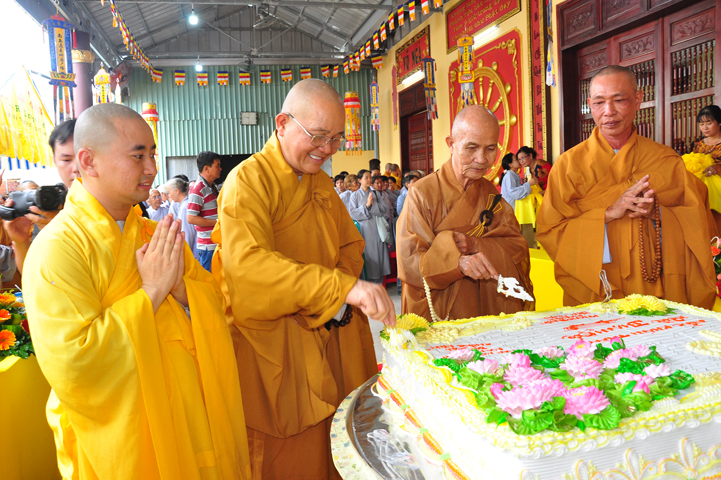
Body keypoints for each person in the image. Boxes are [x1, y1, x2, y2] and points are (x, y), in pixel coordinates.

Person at [22, 103, 250, 479]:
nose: (152, 168)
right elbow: (76, 361)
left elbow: (214, 300)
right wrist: (152, 292)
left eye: (153, 154)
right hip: (128, 439)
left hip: (190, 418)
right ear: (88, 161)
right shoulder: (57, 248)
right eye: (138, 155)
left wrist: (180, 290)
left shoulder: (153, 232)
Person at [210, 78, 395, 480]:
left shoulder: (319, 182)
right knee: (288, 456)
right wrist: (336, 289)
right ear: (282, 123)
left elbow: (350, 245)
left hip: (329, 328)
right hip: (276, 342)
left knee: (337, 442)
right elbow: (249, 268)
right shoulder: (248, 181)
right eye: (318, 136)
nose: (327, 149)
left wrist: (336, 300)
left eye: (336, 139)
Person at [537, 65, 716, 309]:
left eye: (619, 100)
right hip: (595, 287)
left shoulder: (665, 160)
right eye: (599, 102)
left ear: (638, 99)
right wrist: (607, 214)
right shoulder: (568, 165)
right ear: (590, 105)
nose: (608, 111)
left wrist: (658, 214)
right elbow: (550, 230)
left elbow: (699, 224)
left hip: (655, 287)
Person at [397, 105, 534, 320]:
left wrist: (477, 245)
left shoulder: (490, 193)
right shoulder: (422, 193)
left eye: (490, 148)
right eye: (471, 147)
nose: (482, 159)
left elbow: (517, 247)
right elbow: (409, 262)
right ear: (451, 144)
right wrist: (455, 262)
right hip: (440, 309)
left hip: (485, 306)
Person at [349, 170, 391, 283]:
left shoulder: (376, 193)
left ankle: (379, 285)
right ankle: (367, 283)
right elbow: (352, 213)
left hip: (377, 229)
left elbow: (384, 209)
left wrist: (373, 205)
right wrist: (367, 205)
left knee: (379, 255)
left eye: (370, 177)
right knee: (367, 256)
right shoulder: (354, 195)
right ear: (359, 180)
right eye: (366, 177)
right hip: (364, 230)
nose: (369, 180)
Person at [187, 151, 222, 272]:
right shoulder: (198, 189)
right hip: (208, 247)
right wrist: (217, 222)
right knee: (210, 279)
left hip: (215, 244)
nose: (220, 169)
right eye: (217, 165)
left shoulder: (211, 187)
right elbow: (191, 218)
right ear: (206, 168)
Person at [165, 176, 198, 260]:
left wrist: (185, 255)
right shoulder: (184, 204)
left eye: (169, 192)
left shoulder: (185, 207)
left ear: (177, 191)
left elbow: (187, 235)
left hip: (192, 254)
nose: (169, 195)